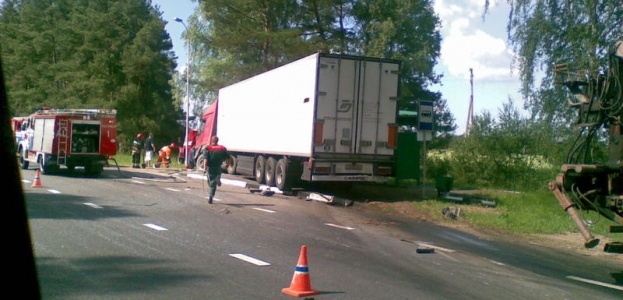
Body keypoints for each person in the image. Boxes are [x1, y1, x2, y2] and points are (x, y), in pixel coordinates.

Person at [202, 136, 229, 204]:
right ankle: (217, 179)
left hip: (210, 168)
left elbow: (205, 159)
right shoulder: (222, 148)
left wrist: (204, 168)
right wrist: (227, 164)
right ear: (217, 141)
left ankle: (211, 197)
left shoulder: (208, 148)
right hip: (218, 167)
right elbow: (228, 157)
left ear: (211, 141)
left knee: (211, 183)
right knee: (213, 181)